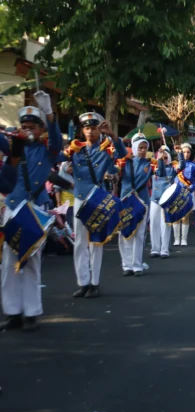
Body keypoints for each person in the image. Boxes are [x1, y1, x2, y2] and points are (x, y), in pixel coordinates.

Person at [0, 93, 62, 331]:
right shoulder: (14, 147)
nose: (26, 130)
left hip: (36, 208)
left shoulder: (47, 149)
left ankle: (32, 313)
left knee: (32, 261)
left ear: (40, 129)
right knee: (9, 262)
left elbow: (57, 141)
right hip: (15, 207)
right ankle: (13, 312)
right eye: (23, 126)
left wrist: (49, 114)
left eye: (31, 127)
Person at [61, 112, 127, 298]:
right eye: (87, 128)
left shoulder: (106, 150)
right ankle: (83, 282)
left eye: (94, 127)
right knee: (80, 242)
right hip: (80, 198)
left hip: (96, 199)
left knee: (96, 242)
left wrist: (113, 135)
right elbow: (57, 158)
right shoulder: (76, 150)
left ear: (99, 129)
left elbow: (122, 154)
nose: (90, 131)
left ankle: (95, 283)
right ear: (82, 130)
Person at [116, 133, 156, 277]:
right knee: (125, 234)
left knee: (139, 234)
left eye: (145, 148)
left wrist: (165, 158)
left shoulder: (150, 163)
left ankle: (137, 265)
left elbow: (162, 172)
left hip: (142, 201)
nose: (143, 150)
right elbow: (114, 171)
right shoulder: (124, 162)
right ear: (134, 147)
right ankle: (126, 265)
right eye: (140, 148)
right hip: (126, 201)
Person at [150, 145, 176, 259]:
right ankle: (155, 248)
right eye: (162, 157)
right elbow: (160, 172)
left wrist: (179, 153)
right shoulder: (153, 167)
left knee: (165, 225)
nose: (164, 159)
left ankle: (164, 249)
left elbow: (182, 166)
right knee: (154, 224)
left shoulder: (173, 168)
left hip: (166, 200)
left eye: (166, 157)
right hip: (155, 199)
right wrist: (159, 160)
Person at [172, 143, 195, 246]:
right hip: (176, 192)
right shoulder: (175, 164)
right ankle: (176, 239)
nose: (186, 154)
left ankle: (184, 239)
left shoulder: (194, 166)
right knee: (176, 215)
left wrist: (191, 187)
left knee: (185, 216)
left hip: (187, 192)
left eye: (188, 152)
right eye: (184, 152)